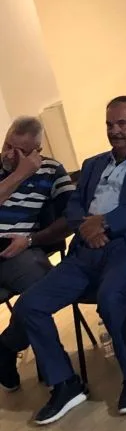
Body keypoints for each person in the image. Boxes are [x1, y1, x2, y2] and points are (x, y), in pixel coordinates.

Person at [14, 97, 126, 425]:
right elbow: (73, 207)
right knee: (29, 304)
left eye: (122, 124)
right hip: (86, 247)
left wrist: (106, 223)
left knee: (110, 296)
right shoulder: (92, 164)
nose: (115, 131)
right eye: (110, 125)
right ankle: (65, 383)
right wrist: (88, 228)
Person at [0, 117, 74, 392]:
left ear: (36, 151)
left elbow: (72, 216)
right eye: (7, 145)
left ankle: (9, 347)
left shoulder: (52, 170)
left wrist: (31, 240)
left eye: (19, 151)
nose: (9, 155)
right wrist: (20, 173)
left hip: (17, 251)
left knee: (45, 287)